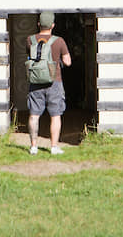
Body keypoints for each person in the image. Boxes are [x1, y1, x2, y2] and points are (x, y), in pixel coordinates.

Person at [26, 11, 71, 154]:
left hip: (35, 82)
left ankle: (33, 146)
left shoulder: (30, 40)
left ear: (39, 24)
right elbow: (67, 62)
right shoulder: (59, 41)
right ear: (52, 25)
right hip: (54, 82)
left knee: (34, 114)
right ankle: (54, 147)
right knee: (55, 114)